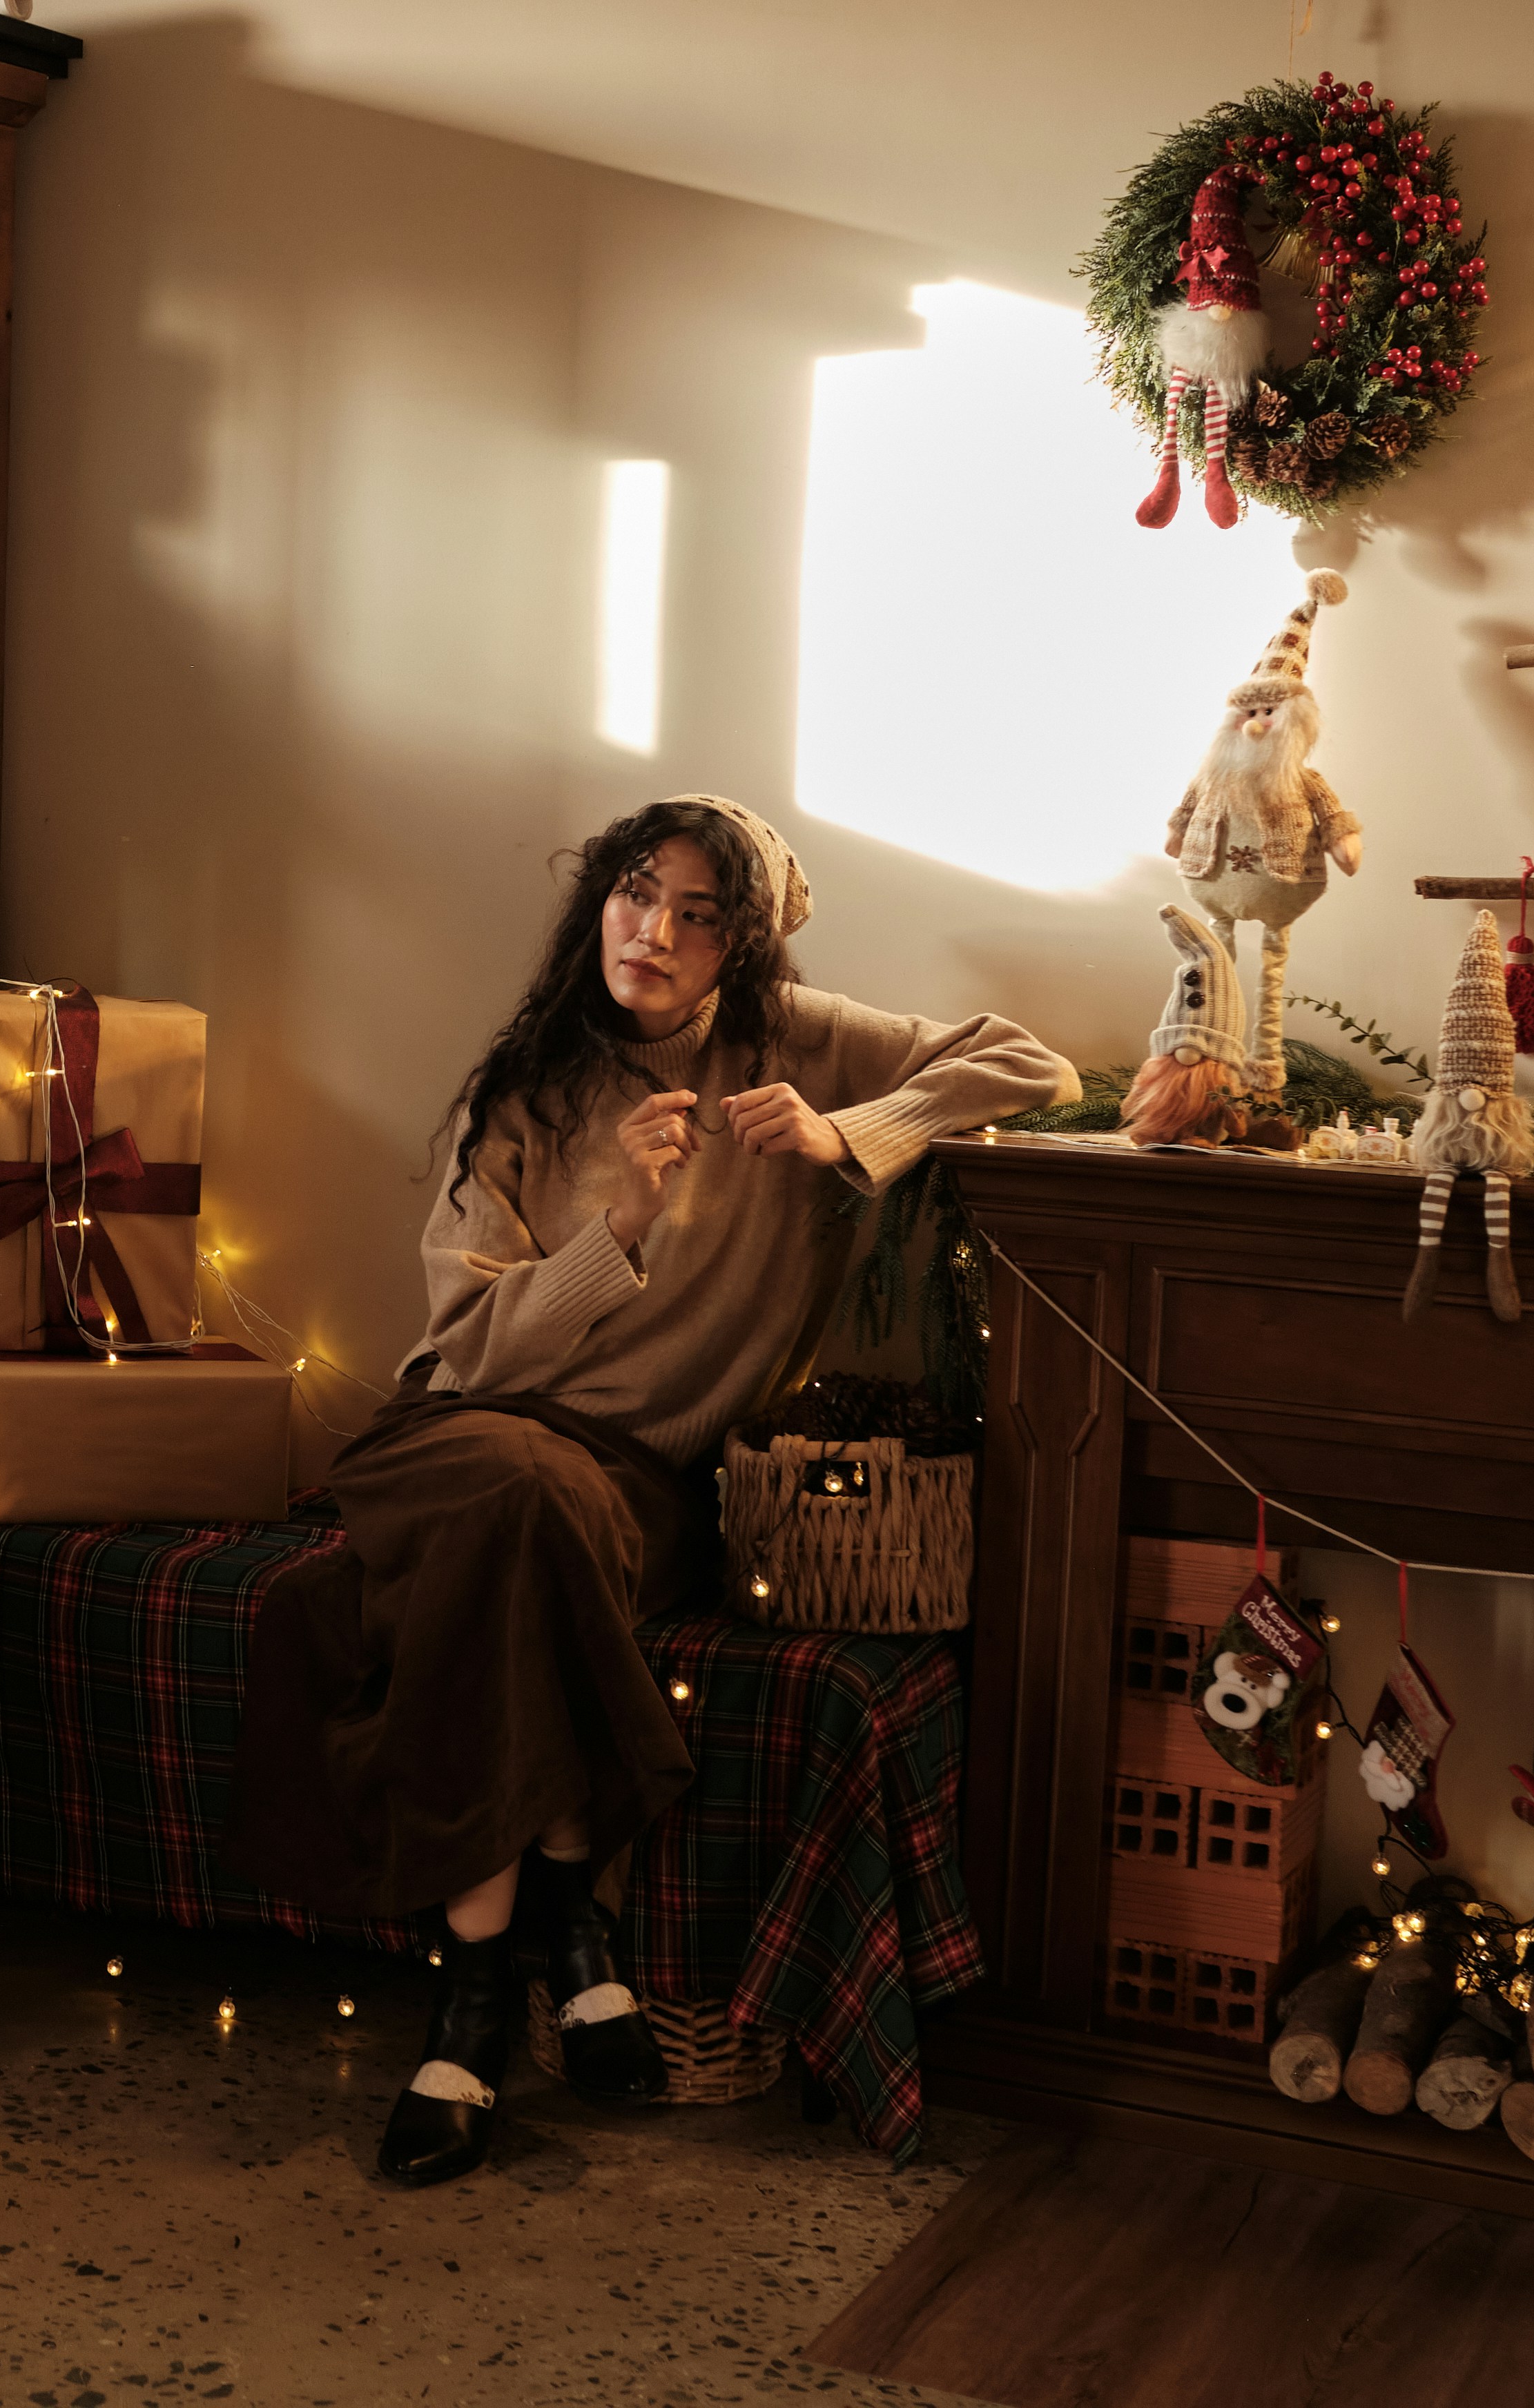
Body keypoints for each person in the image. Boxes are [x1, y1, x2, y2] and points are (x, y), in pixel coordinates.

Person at [226, 795, 1074, 2187]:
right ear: (595, 905)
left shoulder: (792, 1045)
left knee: (533, 1528)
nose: (657, 930)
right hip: (463, 1433)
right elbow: (468, 1346)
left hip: (645, 1479)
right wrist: (614, 1223)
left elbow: (1028, 1062)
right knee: (514, 1494)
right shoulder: (528, 1088)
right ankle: (537, 1946)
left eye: (698, 911)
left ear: (743, 940)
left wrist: (846, 1129)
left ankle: (487, 1981)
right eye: (635, 893)